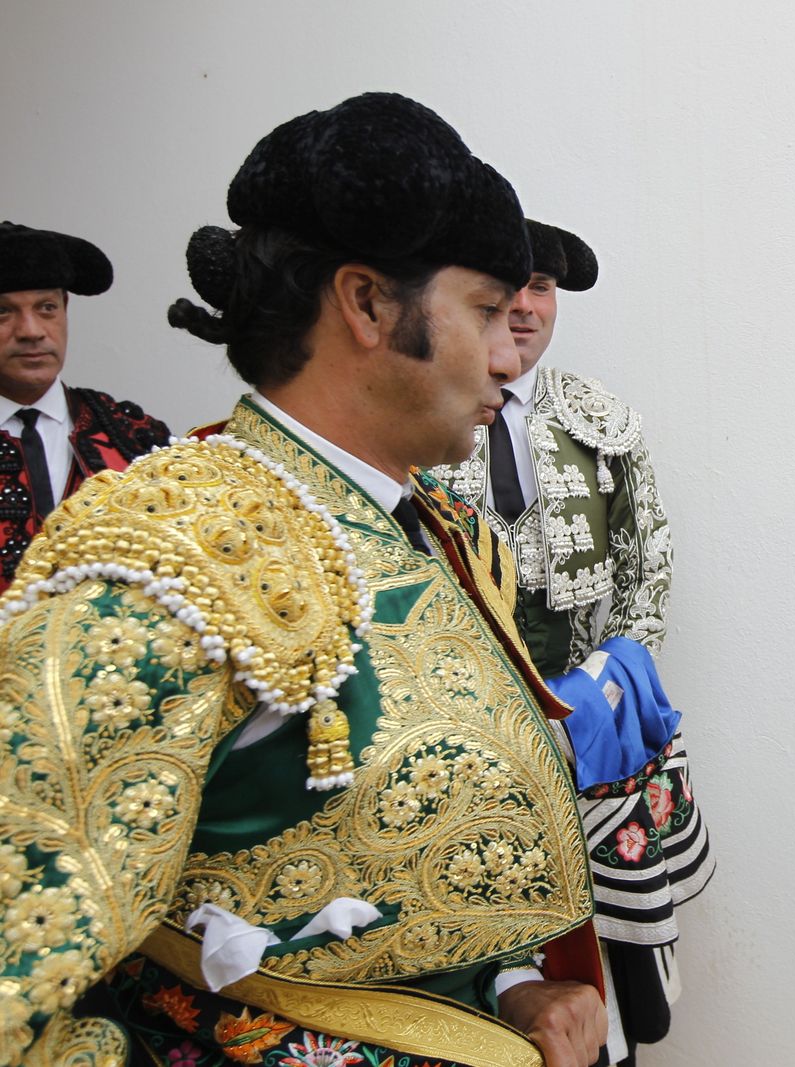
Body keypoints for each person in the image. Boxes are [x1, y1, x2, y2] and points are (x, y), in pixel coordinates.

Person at [0, 92, 607, 1067]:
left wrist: (507, 981)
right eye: (488, 310)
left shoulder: (444, 527)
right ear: (366, 303)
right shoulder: (160, 552)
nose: (510, 355)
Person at [430, 218, 712, 1066]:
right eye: (505, 288)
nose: (524, 307)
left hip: (588, 728)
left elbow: (646, 566)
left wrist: (604, 693)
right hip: (457, 731)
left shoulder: (600, 419)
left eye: (542, 288)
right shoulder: (423, 415)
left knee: (599, 955)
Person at [0, 222, 169, 592]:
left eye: (46, 308)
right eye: (3, 312)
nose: (31, 331)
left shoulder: (135, 437)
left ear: (65, 308)